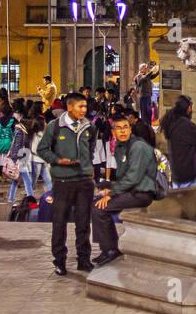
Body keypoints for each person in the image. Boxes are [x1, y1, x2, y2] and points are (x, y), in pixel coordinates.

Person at [35, 91, 95, 276]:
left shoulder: (89, 127)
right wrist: (57, 160)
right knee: (59, 222)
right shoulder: (55, 127)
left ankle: (84, 260)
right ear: (70, 107)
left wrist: (86, 165)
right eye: (80, 106)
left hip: (84, 182)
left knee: (83, 223)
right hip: (62, 182)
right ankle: (59, 261)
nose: (84, 110)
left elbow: (90, 148)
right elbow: (42, 149)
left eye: (85, 107)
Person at [91, 115, 159, 266]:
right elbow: (123, 176)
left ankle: (111, 250)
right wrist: (109, 189)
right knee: (96, 202)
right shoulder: (121, 147)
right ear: (113, 132)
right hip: (131, 190)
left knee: (100, 209)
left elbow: (133, 177)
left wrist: (112, 194)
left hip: (142, 193)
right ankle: (106, 248)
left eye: (126, 127)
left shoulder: (138, 147)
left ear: (130, 129)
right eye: (119, 128)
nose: (123, 131)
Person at [160, 95, 196, 189]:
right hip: (187, 173)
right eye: (191, 107)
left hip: (175, 172)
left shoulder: (172, 122)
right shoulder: (187, 125)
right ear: (188, 108)